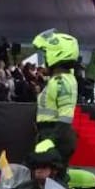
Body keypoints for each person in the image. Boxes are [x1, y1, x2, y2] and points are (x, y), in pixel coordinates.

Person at [32, 29, 79, 167]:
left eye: (46, 54)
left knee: (53, 181)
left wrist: (51, 140)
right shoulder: (57, 79)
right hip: (48, 134)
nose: (45, 59)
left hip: (55, 136)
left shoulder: (62, 81)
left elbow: (65, 116)